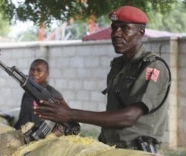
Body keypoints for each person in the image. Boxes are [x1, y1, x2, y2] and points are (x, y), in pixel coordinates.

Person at [33, 6, 171, 153]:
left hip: (135, 151)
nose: (116, 34)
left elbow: (130, 117)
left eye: (124, 28)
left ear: (140, 32)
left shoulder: (153, 66)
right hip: (109, 148)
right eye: (114, 28)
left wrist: (71, 113)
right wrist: (66, 112)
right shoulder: (118, 65)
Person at [14, 59, 63, 130]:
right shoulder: (27, 93)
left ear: (47, 74)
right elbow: (22, 118)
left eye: (39, 70)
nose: (34, 73)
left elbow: (60, 124)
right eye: (32, 70)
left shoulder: (53, 95)